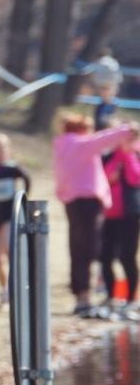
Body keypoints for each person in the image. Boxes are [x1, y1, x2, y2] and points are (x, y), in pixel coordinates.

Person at [52, 112, 137, 317]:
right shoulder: (81, 144)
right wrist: (128, 129)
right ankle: (85, 297)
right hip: (88, 202)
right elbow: (103, 139)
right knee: (89, 250)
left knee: (76, 247)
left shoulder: (61, 145)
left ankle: (80, 294)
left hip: (72, 202)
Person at [0, 133, 31, 307]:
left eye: (3, 149)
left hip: (8, 216)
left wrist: (24, 202)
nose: (0, 152)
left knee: (6, 251)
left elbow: (27, 179)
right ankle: (6, 290)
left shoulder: (12, 169)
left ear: (8, 151)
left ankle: (16, 287)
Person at [100, 128, 140, 320]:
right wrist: (114, 170)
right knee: (105, 256)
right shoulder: (108, 156)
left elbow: (136, 178)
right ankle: (110, 296)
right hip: (109, 213)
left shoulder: (135, 156)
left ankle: (132, 299)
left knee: (127, 257)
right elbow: (102, 178)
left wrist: (128, 156)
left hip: (130, 214)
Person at [87, 49, 123, 131]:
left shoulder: (101, 61)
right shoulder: (113, 62)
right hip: (112, 84)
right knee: (108, 102)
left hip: (104, 84)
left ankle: (104, 122)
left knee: (106, 103)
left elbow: (95, 73)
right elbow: (118, 75)